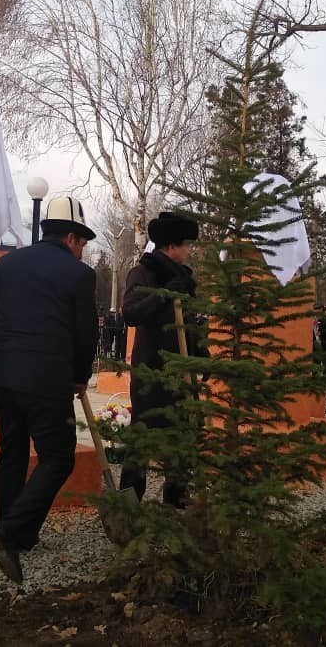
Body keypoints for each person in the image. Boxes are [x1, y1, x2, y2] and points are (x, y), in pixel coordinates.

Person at [0, 196, 98, 584]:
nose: (82, 250)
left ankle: (16, 534)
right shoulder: (79, 275)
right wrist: (81, 376)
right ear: (71, 237)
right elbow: (86, 335)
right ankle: (10, 531)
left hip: (1, 374)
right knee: (58, 458)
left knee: (11, 451)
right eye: (82, 243)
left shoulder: (6, 263)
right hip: (46, 379)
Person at [119, 211, 203, 507]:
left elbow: (188, 323)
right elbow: (131, 313)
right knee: (143, 436)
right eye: (186, 245)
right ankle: (129, 501)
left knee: (182, 434)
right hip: (151, 372)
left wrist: (200, 352)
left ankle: (176, 497)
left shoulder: (184, 279)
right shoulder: (143, 273)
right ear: (170, 246)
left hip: (182, 372)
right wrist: (164, 294)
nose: (189, 251)